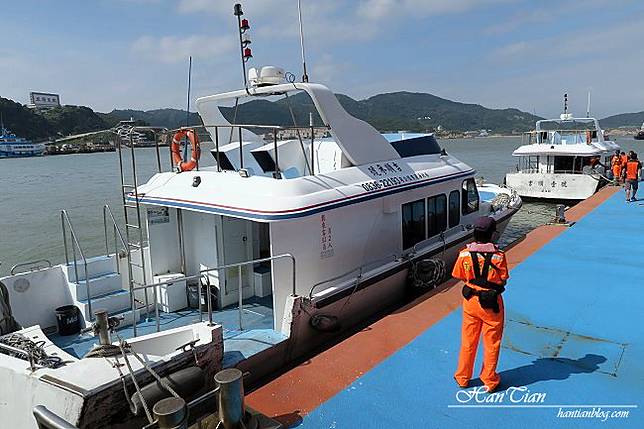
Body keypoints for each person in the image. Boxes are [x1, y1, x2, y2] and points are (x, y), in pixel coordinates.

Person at [453, 216, 509, 392]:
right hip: (491, 303)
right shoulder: (499, 257)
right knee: (492, 342)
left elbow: (459, 274)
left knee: (468, 340)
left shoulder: (464, 254)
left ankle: (462, 378)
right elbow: (503, 279)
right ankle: (489, 379)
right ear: (492, 234)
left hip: (470, 302)